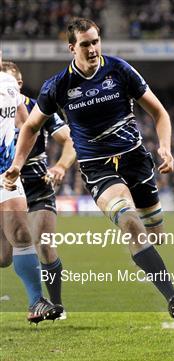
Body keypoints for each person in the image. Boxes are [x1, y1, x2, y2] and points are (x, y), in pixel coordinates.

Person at [2, 18, 174, 325]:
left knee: (155, 234)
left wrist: (166, 148)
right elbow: (30, 126)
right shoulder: (58, 85)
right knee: (130, 224)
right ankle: (173, 298)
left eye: (96, 41)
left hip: (135, 160)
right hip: (97, 166)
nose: (92, 49)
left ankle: (152, 264)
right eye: (85, 44)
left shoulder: (119, 70)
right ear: (71, 48)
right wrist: (16, 165)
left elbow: (159, 112)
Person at [0, 61, 75, 318]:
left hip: (36, 185)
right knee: (3, 257)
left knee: (41, 243)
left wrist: (61, 166)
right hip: (9, 180)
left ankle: (54, 304)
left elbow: (69, 141)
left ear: (18, 84)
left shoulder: (39, 109)